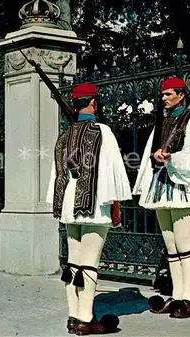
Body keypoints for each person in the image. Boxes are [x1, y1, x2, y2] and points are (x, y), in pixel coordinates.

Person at [46, 83, 132, 335]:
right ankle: (85, 318)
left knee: (73, 262)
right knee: (90, 262)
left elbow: (58, 175)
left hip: (69, 203)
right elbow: (113, 170)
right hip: (95, 202)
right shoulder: (103, 131)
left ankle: (73, 316)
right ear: (93, 103)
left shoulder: (64, 136)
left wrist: (59, 206)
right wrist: (116, 204)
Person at [132, 77, 190, 318]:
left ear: (181, 95)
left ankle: (189, 297)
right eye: (163, 94)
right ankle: (177, 295)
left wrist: (172, 159)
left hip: (181, 187)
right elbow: (149, 153)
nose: (164, 98)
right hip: (160, 186)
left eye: (169, 94)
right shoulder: (163, 123)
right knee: (171, 245)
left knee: (185, 243)